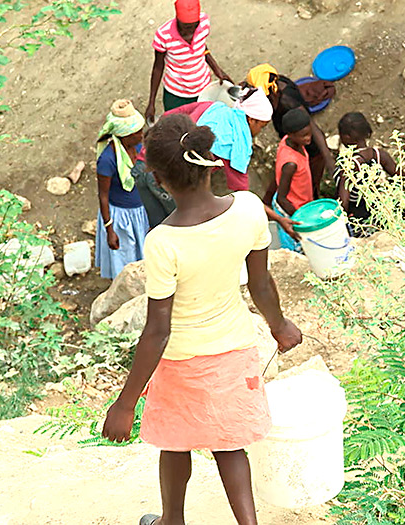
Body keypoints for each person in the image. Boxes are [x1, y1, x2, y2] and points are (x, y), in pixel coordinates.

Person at [101, 113, 302, 525]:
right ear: (210, 161)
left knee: (176, 444)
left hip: (180, 364)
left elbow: (158, 331)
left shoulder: (163, 243)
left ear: (157, 178)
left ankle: (171, 520)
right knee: (230, 446)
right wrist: (279, 326)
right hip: (234, 351)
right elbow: (261, 285)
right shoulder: (247, 210)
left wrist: (125, 404)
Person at [134, 89, 300, 239]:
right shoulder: (236, 143)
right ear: (251, 119)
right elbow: (245, 196)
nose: (259, 132)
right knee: (185, 233)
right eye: (262, 127)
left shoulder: (212, 108)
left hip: (143, 164)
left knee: (159, 228)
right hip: (166, 180)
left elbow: (169, 117)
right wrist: (278, 218)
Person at [245, 64, 335, 199]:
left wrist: (328, 159)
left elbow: (312, 127)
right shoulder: (273, 83)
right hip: (293, 140)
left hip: (311, 150)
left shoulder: (287, 102)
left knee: (309, 182)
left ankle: (314, 199)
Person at [145, 0, 231, 123]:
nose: (190, 32)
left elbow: (202, 47)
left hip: (203, 89)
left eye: (193, 27)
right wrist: (151, 102)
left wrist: (217, 70)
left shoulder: (204, 23)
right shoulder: (164, 35)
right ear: (177, 20)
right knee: (176, 125)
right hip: (176, 93)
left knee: (200, 124)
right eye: (185, 27)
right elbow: (158, 68)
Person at [95, 100, 149, 279]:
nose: (141, 135)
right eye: (137, 133)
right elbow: (103, 196)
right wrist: (110, 230)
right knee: (124, 261)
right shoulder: (107, 160)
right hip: (121, 218)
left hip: (140, 212)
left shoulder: (138, 148)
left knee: (143, 258)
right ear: (124, 136)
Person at [335, 112, 399, 238]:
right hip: (383, 214)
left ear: (346, 137)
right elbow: (400, 177)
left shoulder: (349, 166)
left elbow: (343, 204)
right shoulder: (380, 155)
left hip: (361, 222)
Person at [273, 109, 314, 252]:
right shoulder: (290, 163)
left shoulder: (290, 142)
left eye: (309, 133)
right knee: (295, 249)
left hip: (301, 202)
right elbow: (282, 198)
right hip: (289, 209)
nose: (308, 138)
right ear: (290, 135)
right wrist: (300, 219)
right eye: (303, 136)